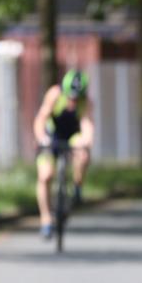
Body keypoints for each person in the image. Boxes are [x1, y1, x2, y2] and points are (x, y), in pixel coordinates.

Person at [33, 69, 95, 239]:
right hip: (52, 135)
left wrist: (86, 141)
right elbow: (40, 119)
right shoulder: (54, 94)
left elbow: (87, 125)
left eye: (76, 98)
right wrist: (41, 138)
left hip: (72, 135)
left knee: (83, 155)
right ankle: (46, 219)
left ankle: (77, 186)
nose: (72, 101)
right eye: (70, 96)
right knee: (45, 176)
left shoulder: (86, 102)